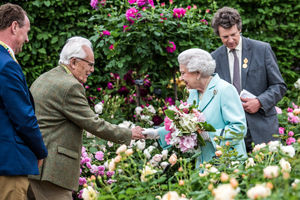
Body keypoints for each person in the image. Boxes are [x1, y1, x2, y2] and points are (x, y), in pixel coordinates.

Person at [28, 36, 145, 200]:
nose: (92, 70)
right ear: (74, 62)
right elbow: (94, 124)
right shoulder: (70, 86)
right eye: (90, 64)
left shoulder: (44, 78)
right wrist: (129, 133)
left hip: (34, 166)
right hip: (51, 172)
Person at [143, 48, 247, 165]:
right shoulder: (193, 92)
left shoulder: (225, 90)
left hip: (227, 163)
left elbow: (239, 129)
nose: (181, 78)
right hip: (204, 162)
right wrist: (155, 133)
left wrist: (209, 135)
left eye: (183, 73)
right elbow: (185, 125)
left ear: (197, 73)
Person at [211, 7, 287, 152]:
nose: (231, 40)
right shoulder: (214, 58)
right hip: (230, 134)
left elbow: (279, 86)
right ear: (218, 35)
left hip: (262, 128)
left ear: (239, 29)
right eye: (225, 37)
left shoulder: (262, 49)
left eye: (233, 34)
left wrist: (259, 102)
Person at [0, 3, 48, 200]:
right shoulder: (6, 65)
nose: (27, 39)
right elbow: (23, 117)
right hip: (9, 164)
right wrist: (40, 151)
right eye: (26, 31)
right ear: (14, 27)